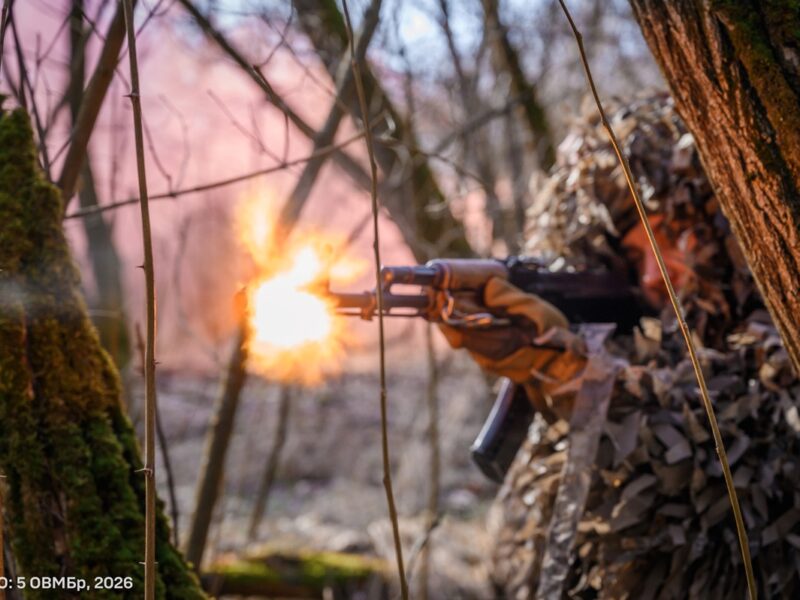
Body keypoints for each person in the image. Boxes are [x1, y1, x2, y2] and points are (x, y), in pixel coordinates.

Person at [441, 93, 800, 599]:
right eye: (636, 251)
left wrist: (579, 378)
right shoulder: (628, 325)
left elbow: (737, 462)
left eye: (673, 237)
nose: (654, 275)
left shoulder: (780, 322)